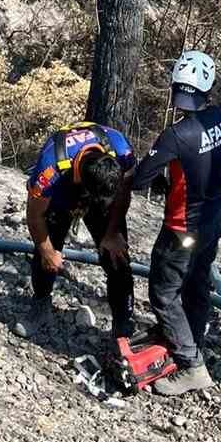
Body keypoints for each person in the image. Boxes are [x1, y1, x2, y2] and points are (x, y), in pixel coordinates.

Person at [105, 50, 221, 396]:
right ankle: (191, 341)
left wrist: (134, 171)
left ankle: (191, 365)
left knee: (163, 292)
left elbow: (140, 178)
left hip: (183, 228)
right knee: (196, 283)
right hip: (214, 218)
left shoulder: (177, 135)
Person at [25, 122, 136, 336]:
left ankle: (123, 322)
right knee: (46, 252)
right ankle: (40, 304)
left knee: (117, 256)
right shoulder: (50, 170)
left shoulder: (121, 150)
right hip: (61, 196)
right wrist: (48, 252)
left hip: (100, 191)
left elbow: (123, 193)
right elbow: (34, 215)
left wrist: (112, 233)